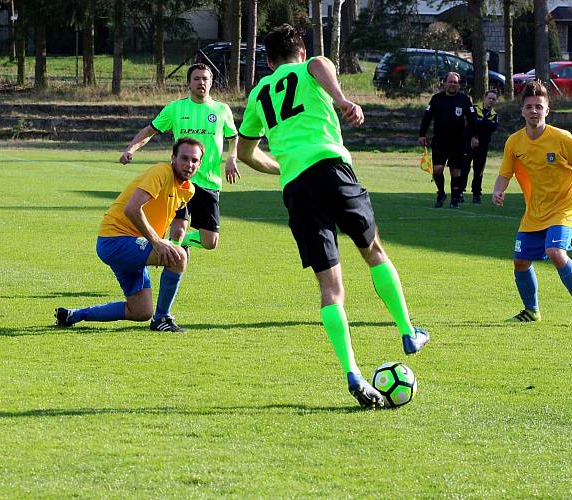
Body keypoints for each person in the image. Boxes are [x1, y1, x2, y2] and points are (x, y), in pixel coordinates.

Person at [235, 24, 429, 409]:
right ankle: (408, 331)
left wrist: (284, 166)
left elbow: (243, 153)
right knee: (372, 249)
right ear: (301, 53)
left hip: (297, 187)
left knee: (331, 290)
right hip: (331, 169)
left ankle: (352, 371)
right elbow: (321, 67)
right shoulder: (311, 66)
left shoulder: (258, 94)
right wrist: (341, 99)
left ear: (269, 61)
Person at [56, 138, 202, 332]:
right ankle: (162, 319)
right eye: (184, 158)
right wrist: (157, 243)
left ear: (199, 163)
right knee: (179, 257)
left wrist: (169, 241)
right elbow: (132, 209)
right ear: (173, 158)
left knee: (140, 311)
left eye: (194, 160)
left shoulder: (188, 190)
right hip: (115, 240)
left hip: (133, 243)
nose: (189, 164)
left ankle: (73, 315)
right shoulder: (161, 172)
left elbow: (167, 218)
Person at [492, 81, 572, 324]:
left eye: (539, 106)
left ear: (547, 110)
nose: (534, 111)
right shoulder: (514, 142)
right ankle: (531, 311)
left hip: (564, 207)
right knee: (520, 261)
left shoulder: (561, 138)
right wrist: (498, 191)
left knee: (555, 252)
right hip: (535, 211)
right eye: (529, 107)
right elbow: (505, 173)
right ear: (522, 111)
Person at [119, 63, 238, 250]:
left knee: (210, 242)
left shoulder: (222, 110)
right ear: (189, 83)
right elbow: (150, 131)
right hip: (179, 180)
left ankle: (180, 244)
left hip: (209, 181)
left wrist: (232, 158)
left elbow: (233, 137)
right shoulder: (175, 109)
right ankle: (173, 263)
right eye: (196, 79)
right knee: (177, 231)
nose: (201, 83)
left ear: (211, 82)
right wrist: (131, 149)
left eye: (205, 79)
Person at [418, 72, 478, 208]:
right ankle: (441, 193)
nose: (453, 84)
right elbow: (427, 117)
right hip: (439, 141)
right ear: (444, 83)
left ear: (459, 84)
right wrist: (422, 134)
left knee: (455, 171)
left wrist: (474, 136)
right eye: (450, 82)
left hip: (458, 142)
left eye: (455, 82)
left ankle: (455, 198)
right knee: (437, 169)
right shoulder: (436, 99)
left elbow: (472, 119)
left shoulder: (464, 100)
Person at [461, 89, 499, 204]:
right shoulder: (474, 108)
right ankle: (460, 192)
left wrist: (480, 124)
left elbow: (492, 127)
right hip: (469, 143)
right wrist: (474, 135)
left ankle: (476, 194)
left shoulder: (494, 115)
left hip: (483, 145)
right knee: (464, 168)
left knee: (478, 170)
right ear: (484, 98)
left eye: (493, 99)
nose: (491, 101)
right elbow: (470, 123)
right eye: (489, 98)